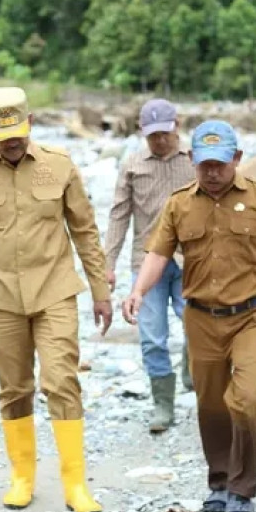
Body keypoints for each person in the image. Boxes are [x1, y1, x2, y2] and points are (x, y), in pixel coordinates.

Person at [0, 87, 113, 512]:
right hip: (0, 297)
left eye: (18, 132)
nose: (12, 142)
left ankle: (76, 485)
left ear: (31, 123)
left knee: (61, 381)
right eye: (2, 136)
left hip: (55, 290)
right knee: (14, 389)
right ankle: (22, 476)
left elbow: (85, 231)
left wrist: (100, 289)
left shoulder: (59, 166)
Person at [122, 120, 256, 512]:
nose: (213, 172)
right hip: (201, 318)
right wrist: (138, 291)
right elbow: (158, 254)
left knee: (250, 400)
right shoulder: (180, 203)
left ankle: (242, 490)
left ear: (237, 159)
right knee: (212, 405)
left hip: (253, 315)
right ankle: (219, 482)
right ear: (193, 162)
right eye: (204, 165)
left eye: (220, 164)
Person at [104, 98, 195, 433]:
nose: (160, 141)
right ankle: (163, 404)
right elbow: (118, 215)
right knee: (152, 337)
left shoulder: (194, 161)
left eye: (165, 134)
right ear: (141, 131)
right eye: (152, 135)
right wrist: (108, 264)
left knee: (198, 326)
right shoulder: (131, 165)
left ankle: (191, 369)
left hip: (190, 262)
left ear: (177, 126)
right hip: (147, 263)